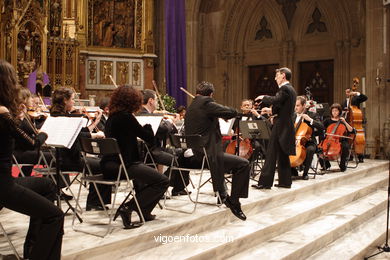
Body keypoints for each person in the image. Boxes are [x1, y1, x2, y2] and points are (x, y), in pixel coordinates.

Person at [0, 59, 64, 260]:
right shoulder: (2, 112)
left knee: (46, 186)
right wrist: (45, 132)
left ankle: (32, 249)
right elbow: (32, 143)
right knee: (55, 215)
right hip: (3, 185)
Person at [101, 85, 169, 228]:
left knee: (144, 179)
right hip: (124, 165)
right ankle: (128, 208)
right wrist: (149, 126)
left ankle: (144, 211)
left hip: (108, 164)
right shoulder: (126, 117)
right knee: (162, 181)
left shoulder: (111, 117)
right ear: (132, 101)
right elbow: (148, 137)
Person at [185, 81, 250, 221]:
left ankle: (223, 194)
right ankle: (234, 201)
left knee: (228, 160)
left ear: (197, 93)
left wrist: (216, 114)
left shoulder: (191, 106)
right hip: (208, 155)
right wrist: (219, 111)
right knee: (243, 164)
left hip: (196, 154)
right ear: (211, 94)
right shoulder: (207, 103)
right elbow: (231, 112)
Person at [50, 87, 109, 210]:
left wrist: (96, 122)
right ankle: (94, 202)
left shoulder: (58, 115)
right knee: (104, 165)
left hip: (63, 158)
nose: (73, 102)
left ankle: (95, 201)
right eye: (72, 99)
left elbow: (80, 132)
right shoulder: (62, 118)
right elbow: (77, 136)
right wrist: (94, 135)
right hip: (68, 160)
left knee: (101, 164)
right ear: (65, 100)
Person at [139, 89, 190, 196]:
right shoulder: (147, 115)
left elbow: (164, 132)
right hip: (150, 152)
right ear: (151, 101)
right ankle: (165, 185)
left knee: (180, 153)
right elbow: (162, 129)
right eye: (157, 100)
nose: (157, 102)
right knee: (180, 159)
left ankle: (173, 186)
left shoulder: (142, 113)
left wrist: (169, 123)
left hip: (149, 150)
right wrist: (171, 121)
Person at [252, 67, 297, 189]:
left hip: (281, 124)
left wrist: (263, 97)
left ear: (283, 75)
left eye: (277, 76)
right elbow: (283, 106)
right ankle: (285, 182)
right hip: (285, 124)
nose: (275, 78)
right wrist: (271, 110)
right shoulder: (290, 89)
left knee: (271, 153)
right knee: (282, 153)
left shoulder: (285, 88)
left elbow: (276, 99)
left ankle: (264, 183)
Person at [291, 96, 324, 180]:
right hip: (295, 141)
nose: (295, 108)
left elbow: (321, 127)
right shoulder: (293, 116)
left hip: (309, 141)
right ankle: (292, 170)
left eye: (298, 105)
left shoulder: (312, 115)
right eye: (295, 105)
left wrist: (310, 120)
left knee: (310, 149)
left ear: (304, 105)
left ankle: (305, 173)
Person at [319, 103, 354, 172]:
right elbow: (321, 128)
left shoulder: (342, 121)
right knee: (319, 148)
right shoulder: (327, 120)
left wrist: (345, 122)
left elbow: (351, 130)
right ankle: (326, 164)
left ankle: (342, 164)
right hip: (328, 139)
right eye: (333, 111)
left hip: (340, 140)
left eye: (336, 111)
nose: (334, 112)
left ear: (339, 112)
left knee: (345, 146)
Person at [342, 77, 368, 163]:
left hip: (355, 123)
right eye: (347, 92)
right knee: (347, 139)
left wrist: (356, 93)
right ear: (345, 93)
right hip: (348, 123)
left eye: (349, 92)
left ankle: (360, 155)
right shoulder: (343, 102)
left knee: (358, 139)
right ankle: (350, 155)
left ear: (351, 92)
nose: (348, 93)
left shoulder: (356, 99)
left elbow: (365, 98)